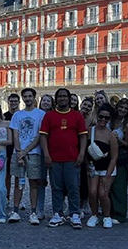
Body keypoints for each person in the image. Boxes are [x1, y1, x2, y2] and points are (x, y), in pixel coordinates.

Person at [40, 88, 88, 229]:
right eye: (59, 96)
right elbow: (43, 136)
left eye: (64, 96)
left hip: (72, 158)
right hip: (54, 158)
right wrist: (47, 154)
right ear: (57, 99)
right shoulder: (49, 116)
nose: (62, 99)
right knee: (56, 187)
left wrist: (82, 153)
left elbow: (83, 136)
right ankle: (57, 213)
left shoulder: (77, 116)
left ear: (69, 99)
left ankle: (74, 214)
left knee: (73, 187)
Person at [8, 88, 45, 225]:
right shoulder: (17, 115)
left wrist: (26, 150)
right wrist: (19, 152)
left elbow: (39, 135)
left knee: (34, 183)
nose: (27, 98)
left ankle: (33, 212)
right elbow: (15, 135)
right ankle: (15, 210)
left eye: (30, 96)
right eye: (25, 96)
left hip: (34, 153)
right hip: (18, 153)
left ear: (34, 97)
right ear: (22, 98)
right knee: (18, 183)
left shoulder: (41, 114)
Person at [85, 104, 118, 229]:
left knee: (103, 194)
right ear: (97, 116)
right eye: (101, 117)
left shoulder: (111, 136)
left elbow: (114, 157)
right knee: (92, 192)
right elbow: (83, 149)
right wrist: (87, 164)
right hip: (93, 167)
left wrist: (108, 175)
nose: (103, 120)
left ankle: (107, 216)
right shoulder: (89, 131)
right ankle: (94, 214)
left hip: (107, 168)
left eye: (106, 118)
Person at [109, 98, 128, 224]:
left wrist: (117, 139)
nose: (122, 110)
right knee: (110, 185)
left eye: (125, 109)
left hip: (121, 155)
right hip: (109, 155)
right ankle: (110, 211)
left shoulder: (127, 125)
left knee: (120, 186)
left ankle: (120, 214)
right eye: (121, 107)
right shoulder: (112, 121)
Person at [37, 94, 55, 220]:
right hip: (39, 150)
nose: (46, 102)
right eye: (44, 100)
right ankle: (40, 208)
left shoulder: (55, 115)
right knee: (40, 181)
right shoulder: (36, 114)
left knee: (56, 181)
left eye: (48, 100)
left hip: (53, 150)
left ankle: (57, 208)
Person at [78, 97, 94, 217]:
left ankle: (82, 205)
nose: (86, 107)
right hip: (74, 149)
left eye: (89, 106)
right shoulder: (74, 116)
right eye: (85, 104)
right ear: (81, 104)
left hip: (88, 151)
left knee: (84, 179)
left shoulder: (93, 121)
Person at [3, 93, 20, 202]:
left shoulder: (21, 115)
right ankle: (7, 197)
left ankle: (19, 198)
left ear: (18, 102)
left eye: (15, 101)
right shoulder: (4, 116)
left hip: (19, 147)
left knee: (19, 176)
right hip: (7, 148)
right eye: (11, 101)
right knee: (7, 175)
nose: (13, 103)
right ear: (8, 102)